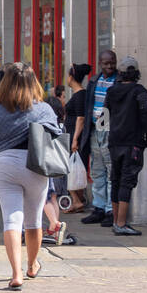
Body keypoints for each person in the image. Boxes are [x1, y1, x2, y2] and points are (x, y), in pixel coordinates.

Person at [0, 62, 61, 290]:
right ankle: (32, 265)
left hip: (5, 164)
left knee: (11, 220)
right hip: (35, 164)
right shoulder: (43, 108)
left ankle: (16, 274)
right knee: (34, 221)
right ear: (32, 82)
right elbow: (55, 134)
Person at [105, 56, 147, 236]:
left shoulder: (111, 92)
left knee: (116, 180)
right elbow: (145, 118)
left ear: (121, 73)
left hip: (114, 141)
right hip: (132, 143)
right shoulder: (140, 92)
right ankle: (121, 223)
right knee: (127, 181)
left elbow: (105, 115)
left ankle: (117, 221)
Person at [78, 50, 118, 226]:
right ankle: (99, 208)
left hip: (111, 130)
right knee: (97, 170)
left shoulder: (119, 81)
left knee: (111, 171)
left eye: (112, 63)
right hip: (95, 128)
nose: (109, 66)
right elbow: (89, 105)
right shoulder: (94, 81)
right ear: (100, 63)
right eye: (106, 63)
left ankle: (110, 210)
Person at [64, 63, 93, 214]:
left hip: (76, 138)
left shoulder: (80, 94)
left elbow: (80, 118)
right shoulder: (79, 94)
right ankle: (78, 200)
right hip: (73, 136)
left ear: (71, 77)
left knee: (70, 168)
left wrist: (75, 139)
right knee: (75, 168)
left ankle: (76, 200)